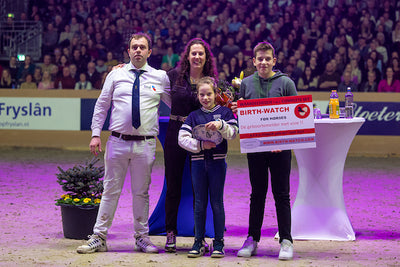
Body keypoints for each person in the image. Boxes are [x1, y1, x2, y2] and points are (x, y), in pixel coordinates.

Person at [76, 33, 171, 254]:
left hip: (145, 144)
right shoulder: (115, 74)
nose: (138, 50)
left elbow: (177, 103)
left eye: (142, 47)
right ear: (128, 51)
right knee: (110, 190)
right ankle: (99, 236)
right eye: (134, 47)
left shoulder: (160, 77)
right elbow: (102, 106)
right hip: (117, 141)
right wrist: (95, 134)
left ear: (149, 51)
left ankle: (142, 238)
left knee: (141, 192)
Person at [232, 42, 296, 261]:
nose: (263, 62)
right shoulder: (246, 84)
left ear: (274, 61)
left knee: (282, 194)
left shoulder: (286, 82)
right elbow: (244, 117)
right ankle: (252, 238)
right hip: (256, 148)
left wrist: (283, 140)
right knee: (257, 194)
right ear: (254, 61)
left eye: (268, 58)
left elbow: (295, 117)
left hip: (281, 149)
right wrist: (237, 109)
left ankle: (286, 240)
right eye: (259, 59)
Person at [164, 38, 218, 253]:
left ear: (206, 57)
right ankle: (170, 233)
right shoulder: (172, 76)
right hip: (175, 135)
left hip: (200, 137)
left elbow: (220, 105)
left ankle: (199, 236)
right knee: (173, 186)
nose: (197, 57)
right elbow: (150, 80)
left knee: (199, 189)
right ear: (187, 56)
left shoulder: (212, 81)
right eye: (193, 53)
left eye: (201, 53)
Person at [178, 77, 238, 258]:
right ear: (197, 96)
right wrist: (200, 145)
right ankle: (198, 241)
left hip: (218, 163)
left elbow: (234, 133)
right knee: (199, 204)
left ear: (216, 94)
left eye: (209, 94)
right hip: (197, 163)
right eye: (202, 94)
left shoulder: (226, 113)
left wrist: (221, 125)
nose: (205, 98)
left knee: (217, 203)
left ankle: (219, 242)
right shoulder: (193, 116)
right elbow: (181, 138)